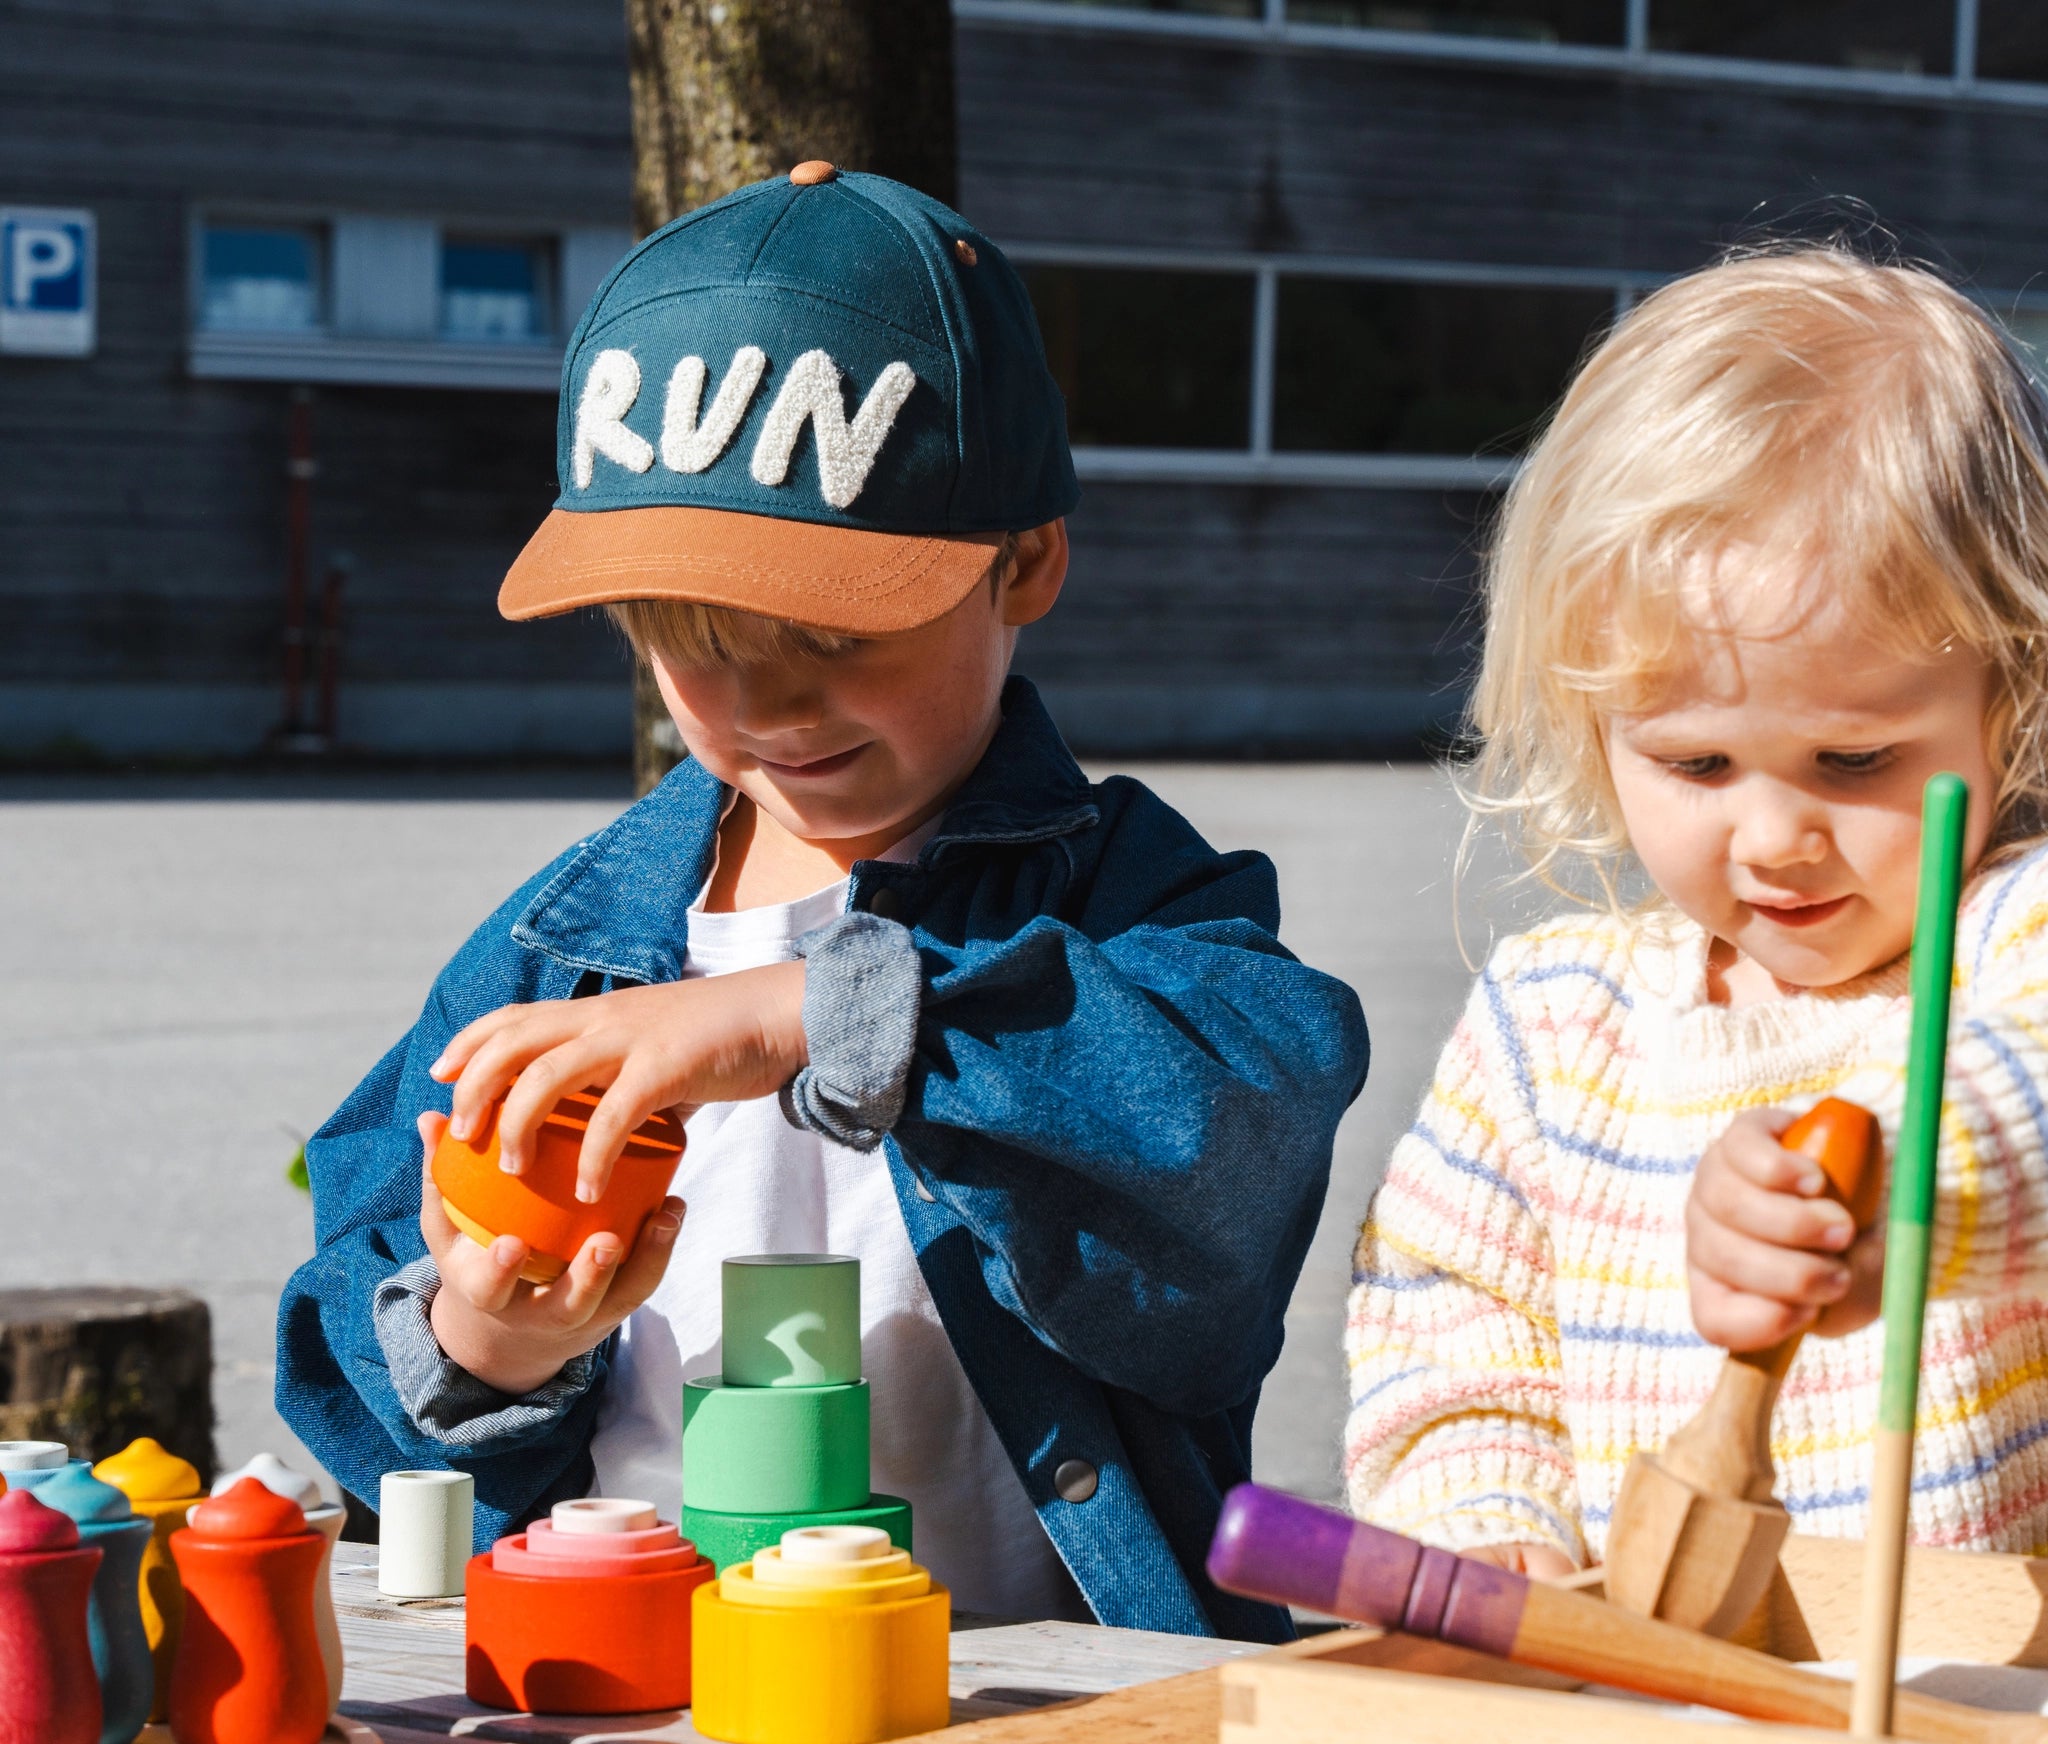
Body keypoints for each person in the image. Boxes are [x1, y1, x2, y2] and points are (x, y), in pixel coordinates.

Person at [277, 166, 1369, 1639]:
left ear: (1025, 561)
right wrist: (485, 1347)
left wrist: (821, 1013)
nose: (765, 700)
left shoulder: (1127, 894)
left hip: (1029, 1699)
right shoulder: (560, 948)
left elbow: (1241, 1123)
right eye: (688, 642)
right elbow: (366, 1315)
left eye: (832, 629)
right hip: (646, 1694)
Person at [1345, 245, 2048, 1576]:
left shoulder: (2017, 939)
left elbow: (2036, 1099)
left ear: (2009, 697)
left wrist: (1900, 1187)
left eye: (1855, 762)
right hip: (1650, 1724)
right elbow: (1451, 1341)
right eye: (1697, 764)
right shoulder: (1556, 1027)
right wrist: (1491, 1546)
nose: (1778, 837)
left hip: (1988, 1733)